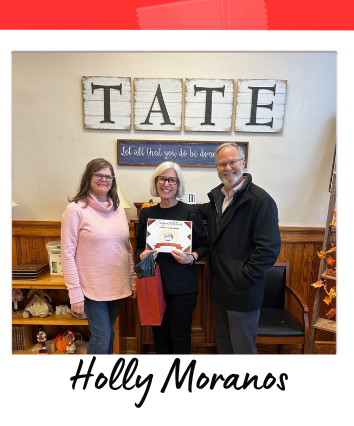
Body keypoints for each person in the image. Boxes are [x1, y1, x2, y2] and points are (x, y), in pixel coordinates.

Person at [199, 143, 281, 354]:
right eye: (222, 164)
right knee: (225, 348)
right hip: (220, 290)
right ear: (216, 167)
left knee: (243, 352)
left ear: (243, 162)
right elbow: (195, 213)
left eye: (232, 162)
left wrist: (243, 278)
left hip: (242, 292)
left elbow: (268, 250)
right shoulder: (217, 197)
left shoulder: (261, 201)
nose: (228, 168)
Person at [61, 158, 135, 355]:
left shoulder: (118, 209)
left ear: (113, 180)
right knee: (101, 336)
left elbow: (126, 249)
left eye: (108, 176)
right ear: (89, 178)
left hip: (116, 285)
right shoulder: (75, 209)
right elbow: (67, 254)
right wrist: (75, 293)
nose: (104, 179)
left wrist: (132, 281)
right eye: (99, 175)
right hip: (91, 287)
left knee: (109, 334)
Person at [135, 162, 208, 354]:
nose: (166, 184)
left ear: (178, 184)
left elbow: (204, 246)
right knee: (159, 337)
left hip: (182, 288)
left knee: (180, 338)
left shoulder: (190, 212)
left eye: (172, 180)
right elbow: (138, 250)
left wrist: (191, 257)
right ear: (156, 182)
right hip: (154, 285)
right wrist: (142, 255)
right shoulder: (147, 213)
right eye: (162, 179)